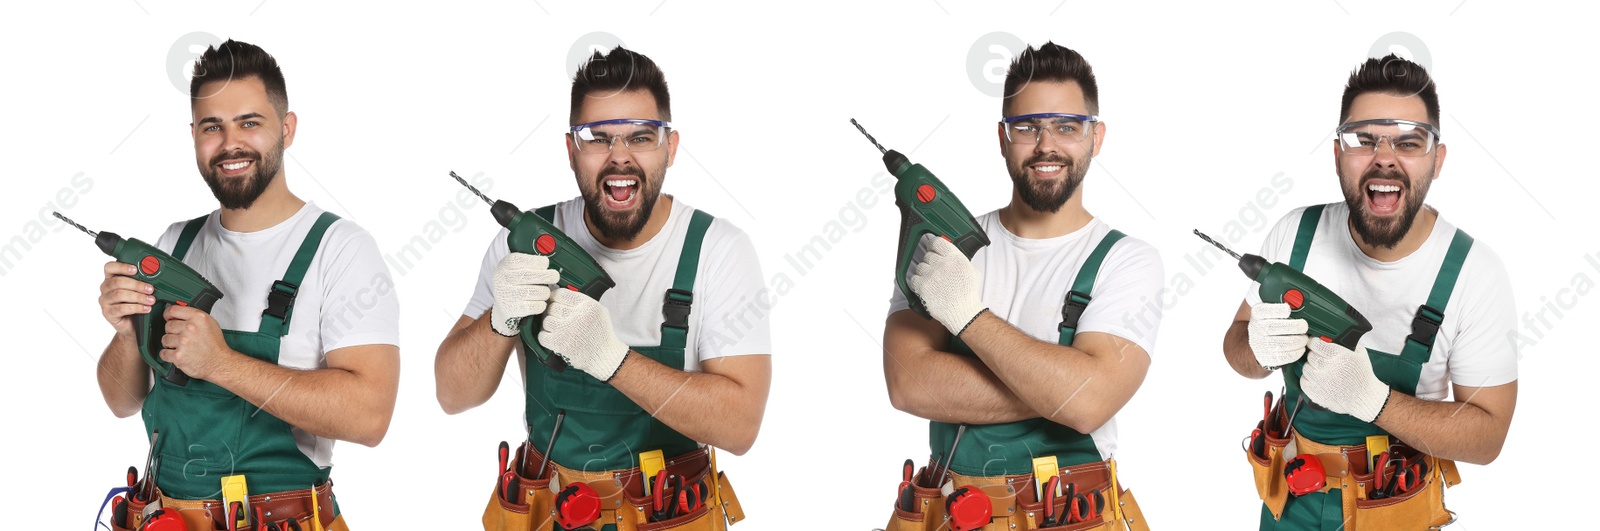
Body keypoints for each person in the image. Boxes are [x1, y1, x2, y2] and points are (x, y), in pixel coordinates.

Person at [435, 46, 769, 531]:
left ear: (671, 148)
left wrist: (611, 360)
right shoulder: (528, 245)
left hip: (669, 515)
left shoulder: (718, 251)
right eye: (597, 138)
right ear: (572, 150)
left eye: (641, 136)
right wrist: (500, 321)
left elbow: (739, 427)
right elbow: (452, 394)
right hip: (554, 513)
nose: (620, 157)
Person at [94, 39, 399, 530]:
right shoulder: (175, 242)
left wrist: (220, 364)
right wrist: (128, 332)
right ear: (193, 135)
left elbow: (370, 418)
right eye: (212, 126)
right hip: (163, 518)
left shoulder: (340, 249)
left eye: (249, 123)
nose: (230, 143)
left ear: (287, 128)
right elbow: (122, 401)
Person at [1222, 54, 1518, 530]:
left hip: (1392, 509)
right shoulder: (1294, 234)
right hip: (1290, 502)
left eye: (1408, 141)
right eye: (1363, 139)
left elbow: (1488, 437)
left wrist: (1375, 401)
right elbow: (1236, 343)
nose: (1384, 156)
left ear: (1436, 160)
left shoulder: (1475, 274)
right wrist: (1256, 349)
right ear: (1338, 153)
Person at [880, 42, 1161, 531]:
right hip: (951, 514)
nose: (1046, 145)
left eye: (1067, 127)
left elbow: (1092, 404)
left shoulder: (1128, 260)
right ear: (1002, 137)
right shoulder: (942, 243)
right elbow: (908, 385)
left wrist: (967, 319)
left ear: (1096, 138)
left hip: (1070, 517)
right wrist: (1065, 389)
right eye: (1027, 127)